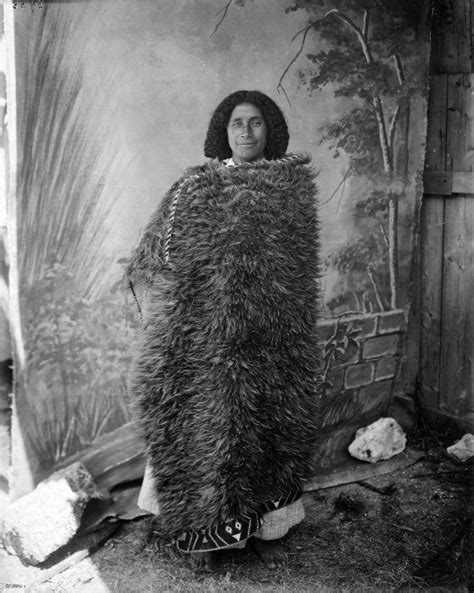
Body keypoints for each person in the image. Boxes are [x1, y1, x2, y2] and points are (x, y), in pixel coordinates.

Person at [127, 90, 323, 571]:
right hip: (209, 338)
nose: (247, 133)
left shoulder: (291, 189)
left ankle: (266, 526)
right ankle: (204, 536)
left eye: (257, 123)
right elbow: (164, 256)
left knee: (270, 430)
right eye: (238, 123)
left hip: (275, 338)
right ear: (223, 130)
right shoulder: (197, 188)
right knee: (210, 430)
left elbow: (298, 267)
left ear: (270, 129)